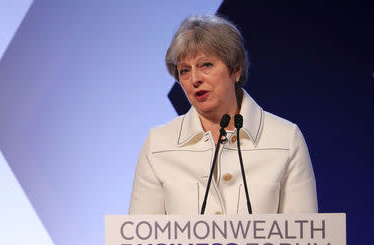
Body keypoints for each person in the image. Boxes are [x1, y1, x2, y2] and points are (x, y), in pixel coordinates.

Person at [129, 14, 317, 215]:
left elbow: (302, 240)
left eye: (206, 65)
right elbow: (143, 242)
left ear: (236, 70)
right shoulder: (159, 144)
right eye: (184, 71)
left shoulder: (285, 139)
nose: (194, 79)